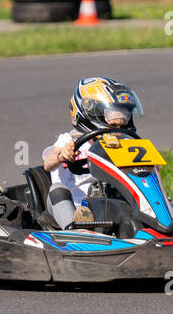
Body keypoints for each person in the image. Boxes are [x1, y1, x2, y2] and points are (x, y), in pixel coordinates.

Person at [41, 77, 145, 229]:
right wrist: (62, 155)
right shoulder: (68, 140)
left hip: (107, 204)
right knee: (57, 190)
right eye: (113, 124)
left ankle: (168, 215)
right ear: (90, 113)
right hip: (73, 207)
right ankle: (76, 231)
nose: (119, 129)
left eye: (123, 123)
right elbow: (47, 164)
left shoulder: (123, 144)